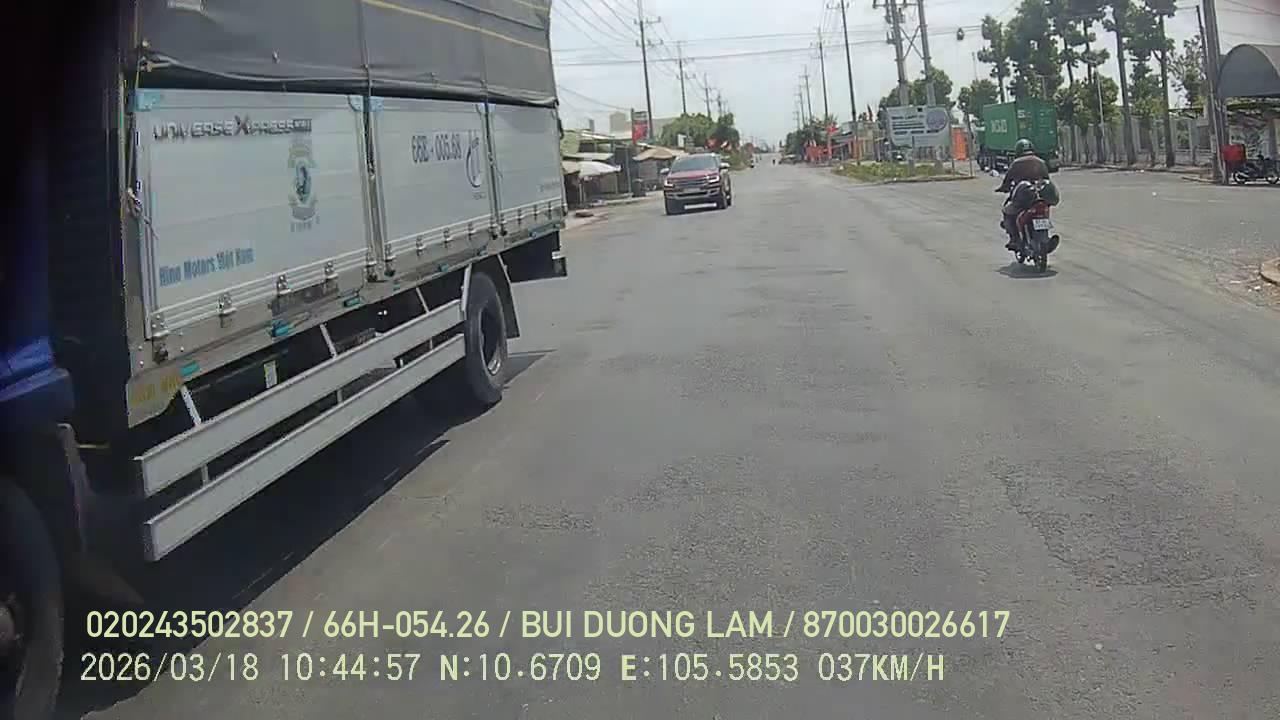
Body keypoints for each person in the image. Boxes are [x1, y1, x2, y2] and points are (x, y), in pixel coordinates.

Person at [996, 138, 1051, 251]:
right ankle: (1045, 239)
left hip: (1023, 198)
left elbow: (1007, 180)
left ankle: (1014, 239)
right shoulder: (1041, 162)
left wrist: (1003, 188)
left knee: (1007, 212)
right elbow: (1046, 179)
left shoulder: (1016, 163)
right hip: (1039, 197)